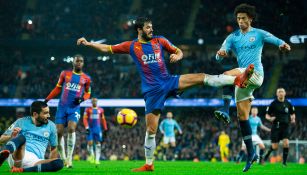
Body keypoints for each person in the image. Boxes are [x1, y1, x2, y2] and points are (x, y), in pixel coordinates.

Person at [77, 16, 252, 172]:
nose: (151, 29)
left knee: (200, 77)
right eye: (147, 27)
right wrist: (89, 44)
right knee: (151, 130)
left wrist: (178, 56)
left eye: (151, 27)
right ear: (139, 30)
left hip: (169, 81)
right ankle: (149, 164)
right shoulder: (131, 46)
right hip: (152, 91)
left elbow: (178, 51)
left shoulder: (160, 41)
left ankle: (236, 80)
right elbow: (107, 48)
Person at [214, 3, 291, 172]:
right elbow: (220, 53)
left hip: (256, 74)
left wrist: (283, 44)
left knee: (227, 75)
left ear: (250, 18)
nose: (240, 21)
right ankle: (250, 155)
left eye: (243, 18)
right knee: (243, 117)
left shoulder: (259, 34)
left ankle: (225, 108)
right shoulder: (233, 37)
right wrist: (220, 54)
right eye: (238, 18)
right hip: (243, 81)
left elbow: (276, 40)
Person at [44, 54, 91, 168]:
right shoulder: (65, 74)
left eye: (81, 61)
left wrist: (82, 99)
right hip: (62, 107)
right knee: (58, 132)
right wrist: (47, 100)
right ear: (73, 62)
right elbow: (57, 88)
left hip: (74, 108)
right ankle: (64, 158)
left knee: (71, 128)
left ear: (83, 63)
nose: (79, 63)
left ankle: (69, 158)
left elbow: (88, 93)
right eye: (77, 61)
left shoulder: (86, 78)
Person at [0, 101, 63, 172]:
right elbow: (1, 139)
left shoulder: (51, 126)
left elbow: (54, 148)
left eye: (48, 112)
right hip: (17, 156)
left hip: (35, 161)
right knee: (21, 137)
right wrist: (11, 137)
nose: (48, 115)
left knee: (59, 163)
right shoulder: (21, 122)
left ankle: (21, 170)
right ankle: (5, 154)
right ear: (35, 114)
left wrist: (50, 163)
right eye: (45, 113)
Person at [264, 88, 295, 166]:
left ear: (285, 93)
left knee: (286, 143)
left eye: (282, 92)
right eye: (279, 92)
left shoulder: (288, 103)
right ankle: (266, 155)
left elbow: (292, 113)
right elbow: (267, 115)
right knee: (275, 147)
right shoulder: (273, 104)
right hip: (276, 127)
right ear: (277, 94)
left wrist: (293, 118)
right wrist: (270, 118)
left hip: (286, 126)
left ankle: (284, 162)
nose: (281, 93)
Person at [83, 97, 108, 165]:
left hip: (97, 128)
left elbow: (103, 119)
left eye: (95, 101)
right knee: (90, 143)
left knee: (98, 143)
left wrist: (105, 128)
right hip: (90, 128)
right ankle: (92, 156)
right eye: (93, 101)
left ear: (97, 102)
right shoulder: (87, 109)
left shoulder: (101, 110)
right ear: (91, 102)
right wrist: (87, 127)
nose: (94, 102)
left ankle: (97, 160)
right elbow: (85, 119)